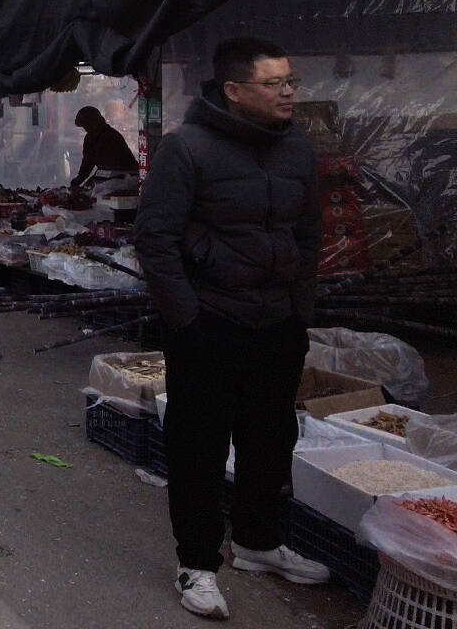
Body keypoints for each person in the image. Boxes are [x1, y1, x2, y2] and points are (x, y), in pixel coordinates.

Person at [136, 38, 327, 620]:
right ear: (234, 90)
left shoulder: (297, 149)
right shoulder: (185, 149)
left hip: (277, 324)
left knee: (271, 440)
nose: (289, 92)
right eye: (275, 84)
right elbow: (156, 240)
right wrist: (188, 318)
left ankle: (258, 542)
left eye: (291, 80)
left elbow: (308, 234)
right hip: (210, 324)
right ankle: (196, 563)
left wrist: (299, 309)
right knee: (199, 446)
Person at [72, 105, 140, 187]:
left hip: (126, 178)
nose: (86, 129)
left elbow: (110, 167)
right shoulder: (89, 138)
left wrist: (92, 180)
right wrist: (80, 178)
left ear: (94, 122)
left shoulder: (111, 136)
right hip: (109, 178)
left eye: (86, 125)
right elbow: (88, 161)